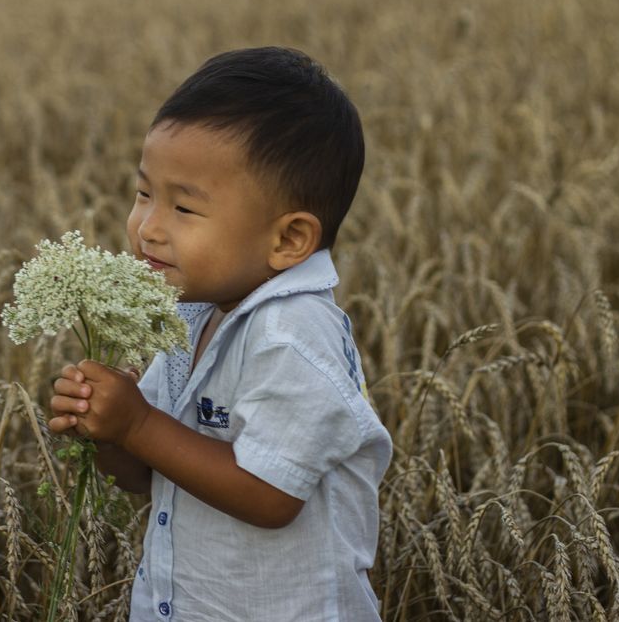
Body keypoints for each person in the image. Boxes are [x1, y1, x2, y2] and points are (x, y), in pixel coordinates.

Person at [49, 46, 392, 621]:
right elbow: (147, 469)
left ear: (288, 240)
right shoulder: (194, 314)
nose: (148, 228)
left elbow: (270, 494)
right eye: (143, 194)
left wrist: (137, 421)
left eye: (184, 209)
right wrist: (104, 430)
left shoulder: (291, 335)